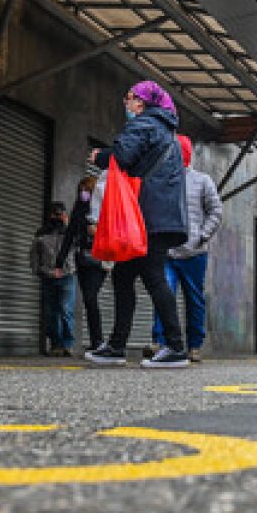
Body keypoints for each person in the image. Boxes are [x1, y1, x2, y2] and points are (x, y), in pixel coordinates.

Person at [85, 81, 189, 369]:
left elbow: (123, 156)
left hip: (149, 217)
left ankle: (176, 347)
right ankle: (116, 346)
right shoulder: (166, 131)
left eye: (129, 98)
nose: (126, 103)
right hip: (158, 215)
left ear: (142, 103)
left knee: (154, 277)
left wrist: (100, 156)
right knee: (123, 277)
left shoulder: (144, 124)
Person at [151, 135, 222, 363]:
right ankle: (161, 341)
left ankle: (194, 345)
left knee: (194, 300)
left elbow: (215, 211)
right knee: (164, 295)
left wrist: (203, 236)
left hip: (194, 253)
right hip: (167, 252)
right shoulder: (161, 179)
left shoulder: (202, 181)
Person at [56, 175, 111, 356]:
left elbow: (116, 231)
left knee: (90, 297)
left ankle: (98, 341)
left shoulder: (105, 209)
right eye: (81, 191)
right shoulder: (79, 212)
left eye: (87, 191)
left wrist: (98, 231)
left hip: (99, 260)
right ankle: (96, 341)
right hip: (82, 259)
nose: (83, 194)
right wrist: (60, 261)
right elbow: (69, 236)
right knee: (88, 300)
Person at [30, 200, 77, 357]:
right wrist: (40, 271)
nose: (58, 216)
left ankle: (67, 344)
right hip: (48, 276)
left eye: (61, 213)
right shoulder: (41, 234)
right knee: (51, 312)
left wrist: (68, 226)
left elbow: (79, 245)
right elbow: (34, 256)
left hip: (67, 275)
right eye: (56, 213)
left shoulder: (70, 233)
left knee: (65, 309)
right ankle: (56, 344)